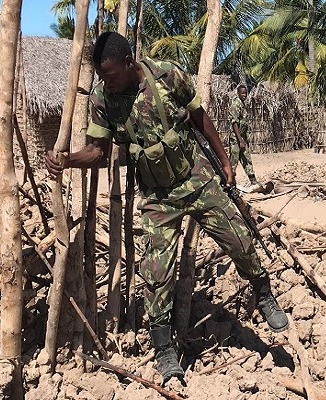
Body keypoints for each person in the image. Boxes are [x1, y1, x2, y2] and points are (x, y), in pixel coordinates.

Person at [45, 32, 288, 382]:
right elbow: (98, 151)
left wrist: (225, 163)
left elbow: (200, 117)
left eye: (110, 74)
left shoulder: (167, 75)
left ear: (130, 63)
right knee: (157, 274)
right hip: (158, 197)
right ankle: (163, 349)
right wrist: (68, 160)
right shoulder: (102, 99)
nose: (105, 81)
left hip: (197, 177)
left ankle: (263, 293)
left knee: (240, 240)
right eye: (101, 75)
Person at [229, 84, 260, 190]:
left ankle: (253, 180)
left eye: (246, 93)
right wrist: (239, 140)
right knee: (234, 161)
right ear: (238, 93)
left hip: (242, 137)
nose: (244, 95)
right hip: (236, 138)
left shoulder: (242, 105)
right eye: (242, 93)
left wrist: (243, 139)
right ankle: (230, 182)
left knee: (247, 158)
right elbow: (234, 124)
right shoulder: (235, 105)